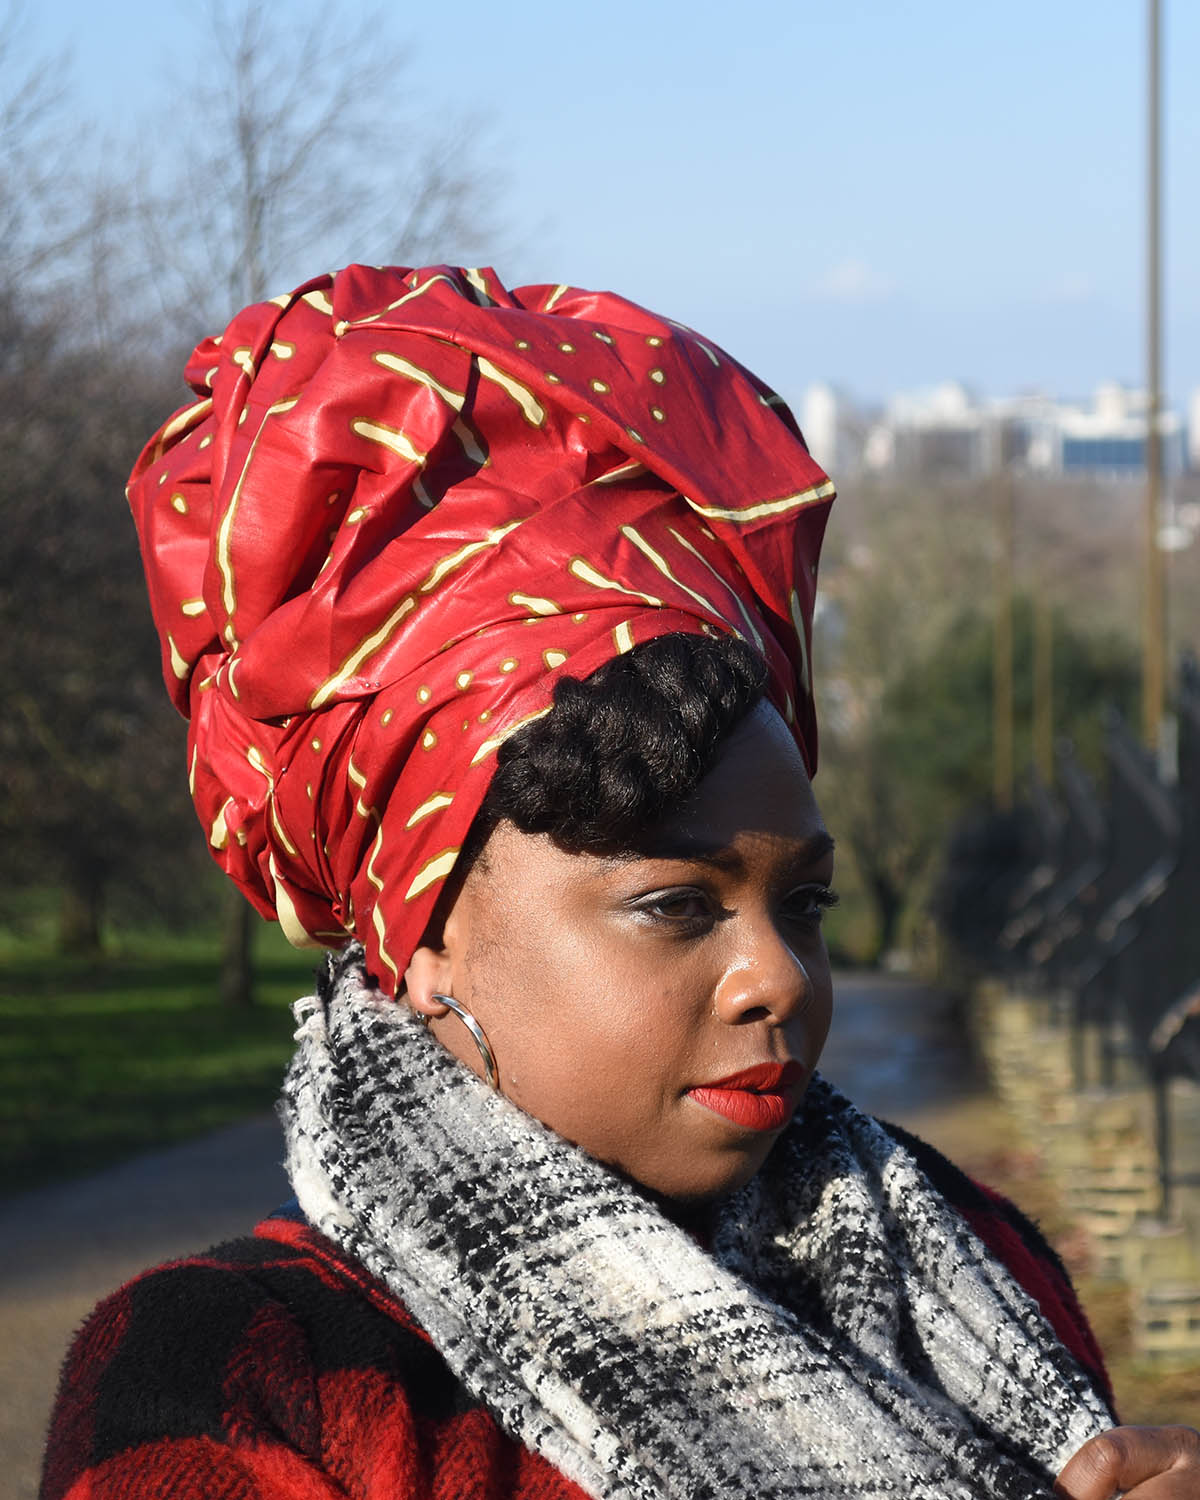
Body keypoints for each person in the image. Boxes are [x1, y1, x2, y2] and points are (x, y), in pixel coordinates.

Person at [41, 265, 1197, 1500]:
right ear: (424, 942)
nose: (777, 978)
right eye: (676, 906)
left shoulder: (970, 1259)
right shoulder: (243, 1375)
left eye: (804, 905)